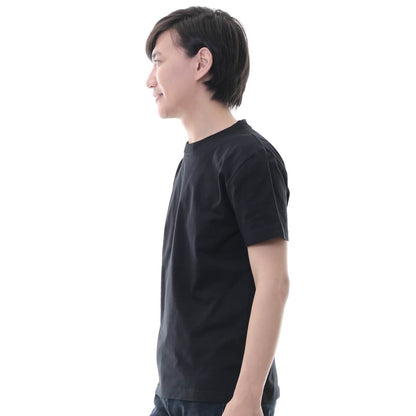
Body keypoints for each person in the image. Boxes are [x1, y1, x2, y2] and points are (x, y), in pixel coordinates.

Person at [145, 7, 290, 416]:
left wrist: (246, 397)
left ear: (201, 63)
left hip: (223, 398)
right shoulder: (190, 160)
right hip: (173, 390)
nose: (149, 80)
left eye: (158, 61)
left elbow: (274, 282)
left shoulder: (249, 158)